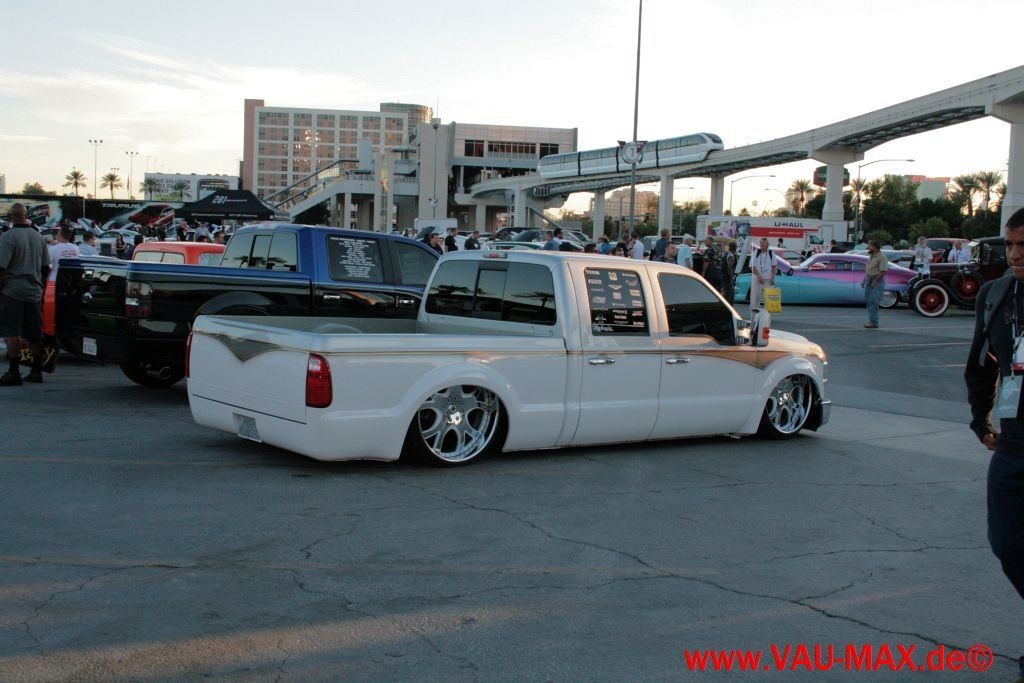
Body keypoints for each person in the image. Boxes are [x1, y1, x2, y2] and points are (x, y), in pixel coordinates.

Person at [964, 208, 1024, 682]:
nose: (1016, 254)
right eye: (1011, 245)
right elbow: (981, 364)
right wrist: (980, 420)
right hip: (1013, 445)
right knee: (1006, 543)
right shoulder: (997, 294)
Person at [0, 203, 50, 385]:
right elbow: (45, 269)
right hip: (34, 291)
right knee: (35, 332)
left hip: (12, 291)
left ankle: (14, 372)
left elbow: (1, 267)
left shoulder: (8, 237)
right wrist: (42, 291)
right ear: (26, 216)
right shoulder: (39, 237)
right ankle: (36, 371)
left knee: (12, 330)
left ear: (11, 217)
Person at [861, 239, 888, 328]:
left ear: (875, 247)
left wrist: (875, 281)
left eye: (870, 246)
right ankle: (871, 320)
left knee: (874, 301)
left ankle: (873, 322)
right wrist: (864, 280)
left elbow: (883, 271)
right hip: (869, 279)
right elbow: (869, 269)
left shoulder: (882, 257)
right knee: (869, 301)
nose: (868, 247)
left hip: (876, 280)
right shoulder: (871, 256)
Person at [749, 238, 776, 310]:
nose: (761, 244)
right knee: (754, 299)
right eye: (760, 242)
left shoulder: (771, 253)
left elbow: (774, 267)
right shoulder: (755, 252)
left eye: (763, 242)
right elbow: (752, 267)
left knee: (768, 300)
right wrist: (759, 276)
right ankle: (754, 315)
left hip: (768, 280)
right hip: (757, 279)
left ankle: (766, 315)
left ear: (767, 244)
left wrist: (773, 278)